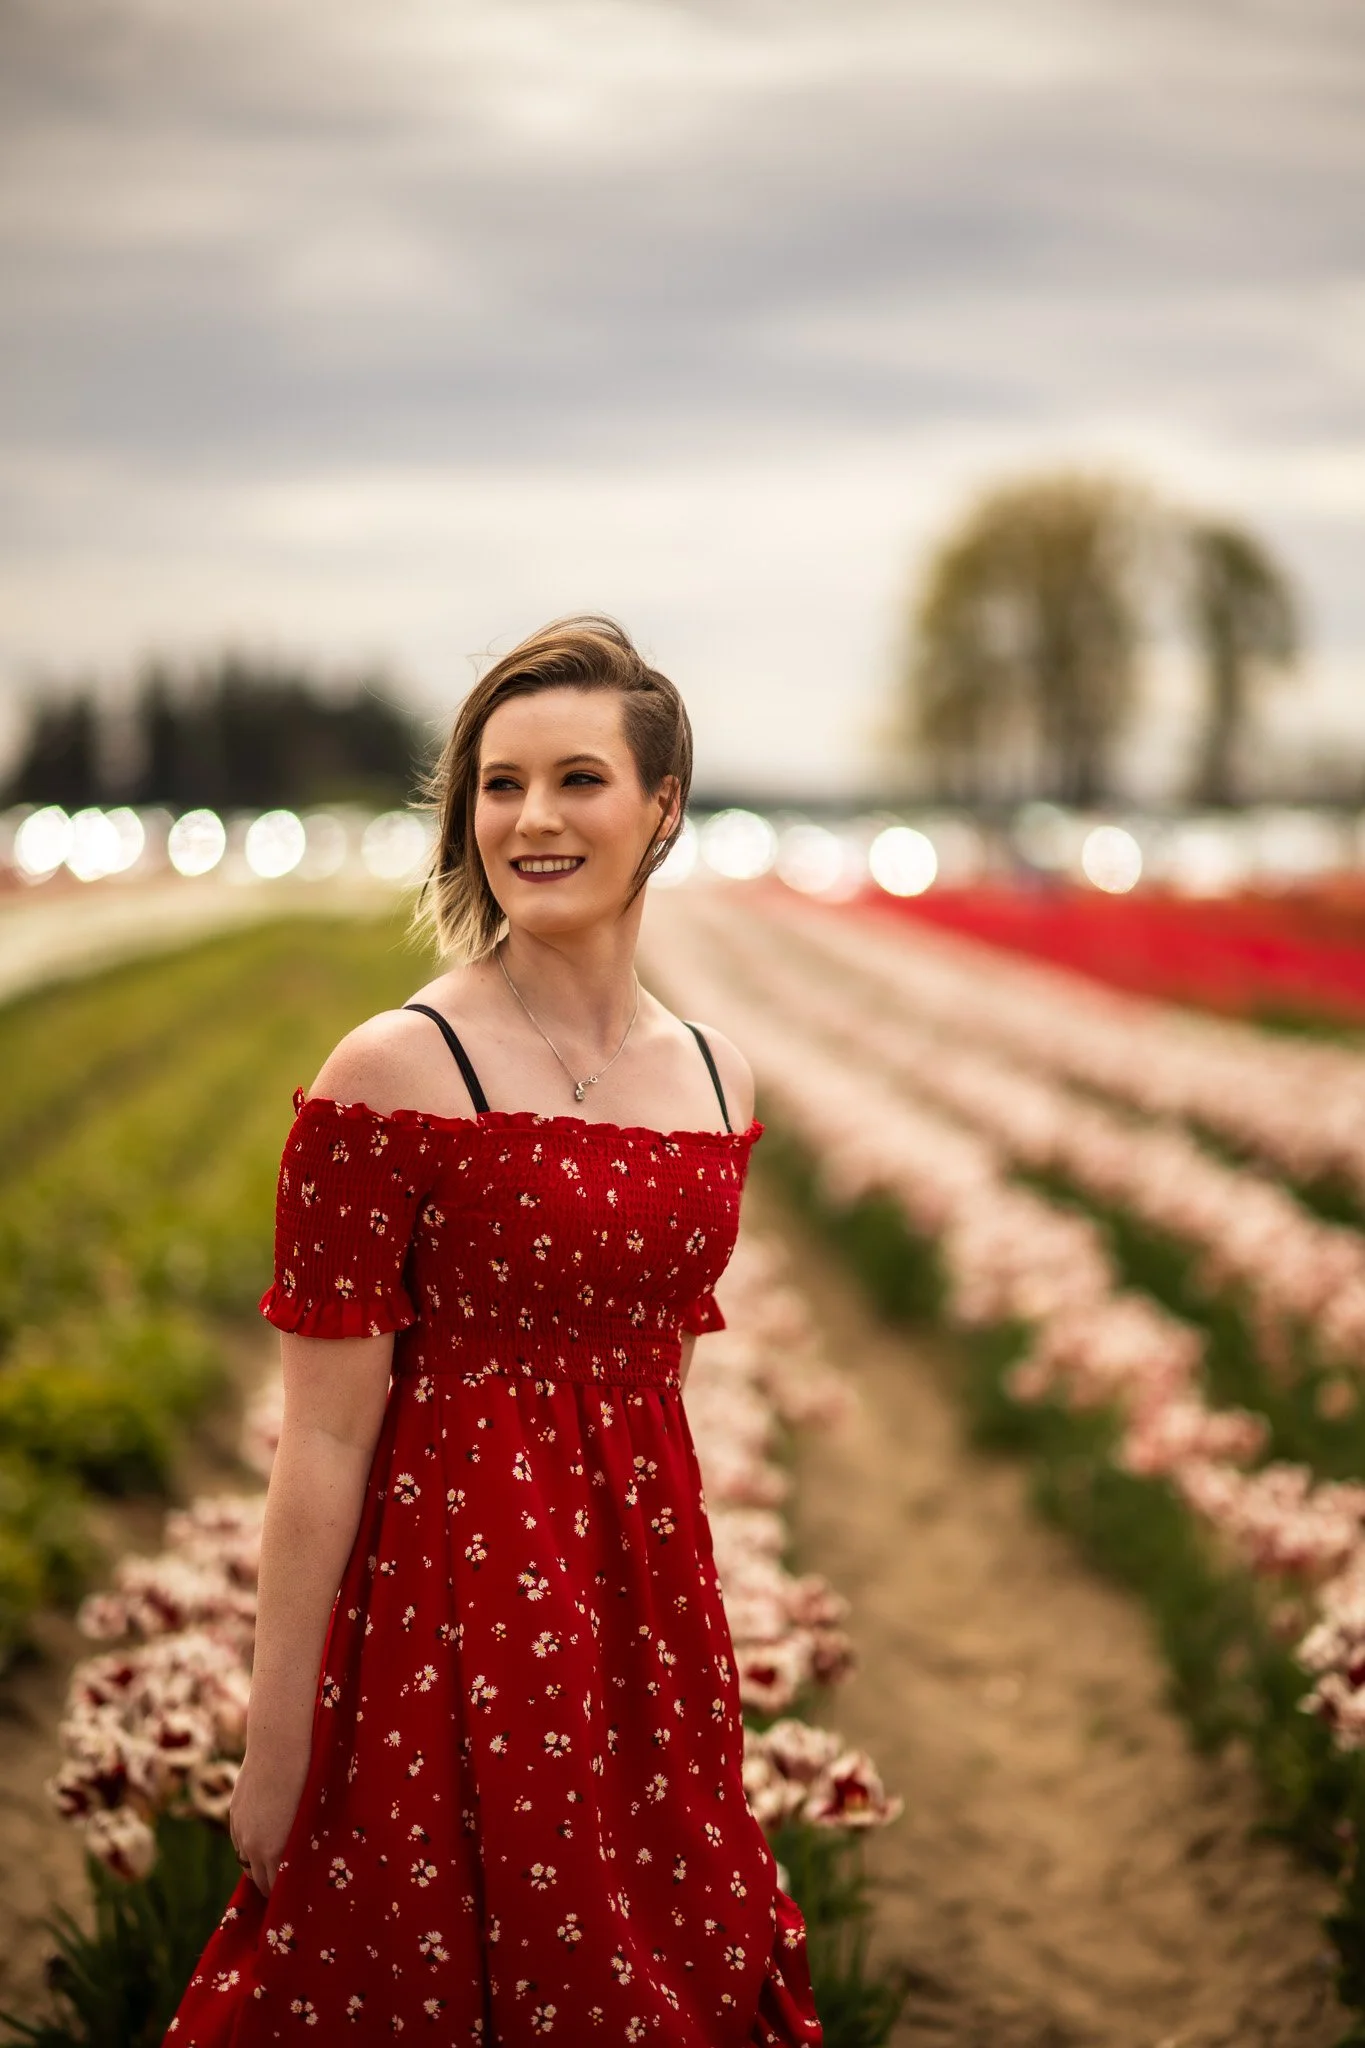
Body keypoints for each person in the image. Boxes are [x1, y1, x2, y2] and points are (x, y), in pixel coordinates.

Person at [164, 616, 823, 2044]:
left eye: (578, 780)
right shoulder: (391, 1070)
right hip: (438, 1606)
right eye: (498, 783)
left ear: (662, 807)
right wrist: (279, 1742)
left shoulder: (717, 1077)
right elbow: (325, 1437)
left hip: (644, 1619)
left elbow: (654, 1392)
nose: (532, 819)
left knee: (661, 1959)